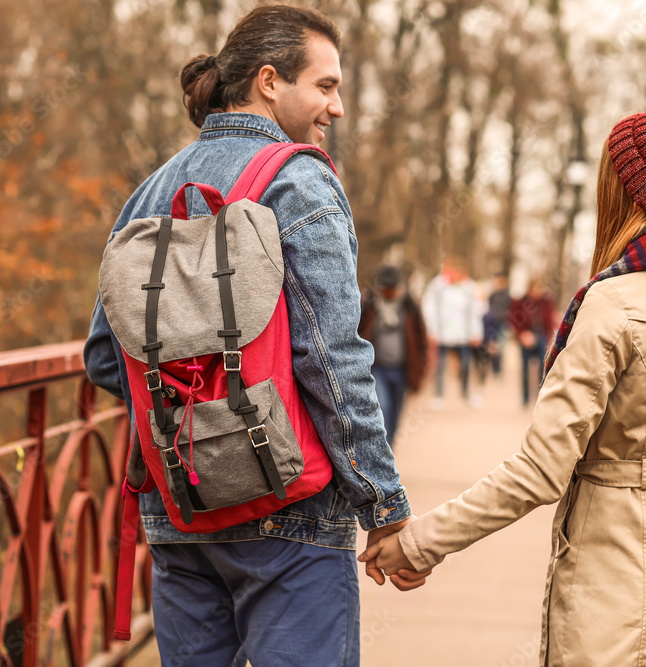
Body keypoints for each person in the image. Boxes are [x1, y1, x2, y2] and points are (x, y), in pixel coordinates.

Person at [361, 106, 646, 666]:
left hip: (617, 604)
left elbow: (540, 472)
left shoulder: (612, 305)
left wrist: (420, 543)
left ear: (632, 193)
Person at [83, 6, 426, 666]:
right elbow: (331, 359)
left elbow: (105, 354)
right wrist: (384, 506)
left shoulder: (152, 189)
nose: (339, 107)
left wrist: (193, 426)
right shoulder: (299, 176)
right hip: (288, 506)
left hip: (178, 506)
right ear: (269, 81)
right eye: (325, 87)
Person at [359, 265, 428, 446]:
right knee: (383, 408)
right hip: (377, 369)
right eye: (385, 289)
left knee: (396, 415)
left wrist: (420, 373)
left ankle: (389, 450)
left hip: (402, 371)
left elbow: (421, 340)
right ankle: (382, 450)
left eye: (392, 288)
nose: (389, 292)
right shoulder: (369, 305)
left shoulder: (410, 306)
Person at [421, 255, 484, 408]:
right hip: (442, 333)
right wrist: (432, 330)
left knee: (466, 365)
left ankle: (466, 393)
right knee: (440, 365)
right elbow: (428, 307)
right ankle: (438, 395)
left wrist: (476, 332)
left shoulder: (468, 287)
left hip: (463, 334)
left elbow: (475, 311)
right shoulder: (437, 286)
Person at [507, 277, 556, 406]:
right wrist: (522, 334)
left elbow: (550, 320)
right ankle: (525, 399)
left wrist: (550, 337)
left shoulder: (546, 302)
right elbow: (514, 319)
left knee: (543, 366)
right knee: (525, 368)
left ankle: (540, 396)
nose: (538, 291)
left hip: (541, 337)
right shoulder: (521, 302)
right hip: (526, 337)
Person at [477, 272, 511, 380]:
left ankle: (498, 370)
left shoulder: (507, 295)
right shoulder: (493, 295)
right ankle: (493, 369)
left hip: (503, 324)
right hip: (492, 323)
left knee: (500, 348)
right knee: (491, 347)